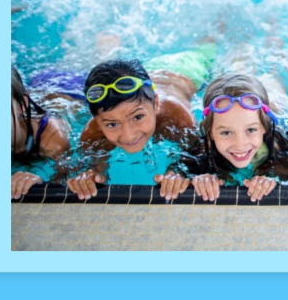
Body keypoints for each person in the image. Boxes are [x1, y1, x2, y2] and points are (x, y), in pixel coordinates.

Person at [67, 51, 215, 201]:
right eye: (112, 124)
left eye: (138, 117)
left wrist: (179, 172)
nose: (128, 135)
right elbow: (82, 169)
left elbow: (199, 158)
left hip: (187, 68)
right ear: (96, 120)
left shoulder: (178, 117)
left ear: (156, 104)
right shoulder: (92, 134)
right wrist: (89, 174)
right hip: (149, 70)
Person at [191, 74, 288, 203]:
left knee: (274, 85)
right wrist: (200, 179)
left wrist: (275, 179)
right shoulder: (202, 148)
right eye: (226, 132)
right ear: (210, 133)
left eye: (251, 130)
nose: (240, 144)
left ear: (264, 127)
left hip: (280, 110)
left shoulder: (284, 147)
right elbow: (179, 170)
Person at [11, 65, 71, 199]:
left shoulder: (53, 141)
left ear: (22, 106)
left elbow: (64, 186)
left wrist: (41, 184)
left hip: (66, 88)